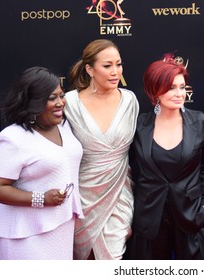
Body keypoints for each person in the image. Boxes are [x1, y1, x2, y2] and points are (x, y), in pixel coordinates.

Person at [125, 56, 204, 259]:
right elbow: (129, 168)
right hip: (150, 217)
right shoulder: (139, 126)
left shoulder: (201, 122)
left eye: (182, 87)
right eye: (171, 88)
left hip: (191, 213)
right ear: (154, 91)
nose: (179, 94)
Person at [0, 66, 84, 260]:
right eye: (52, 98)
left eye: (62, 96)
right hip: (24, 234)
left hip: (62, 225)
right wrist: (40, 199)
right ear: (33, 102)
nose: (61, 103)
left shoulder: (64, 126)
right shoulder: (12, 138)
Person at [64, 39, 139, 260]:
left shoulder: (130, 100)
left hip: (120, 193)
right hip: (82, 195)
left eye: (119, 64)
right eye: (107, 66)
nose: (116, 72)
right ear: (89, 69)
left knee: (113, 256)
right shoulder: (70, 103)